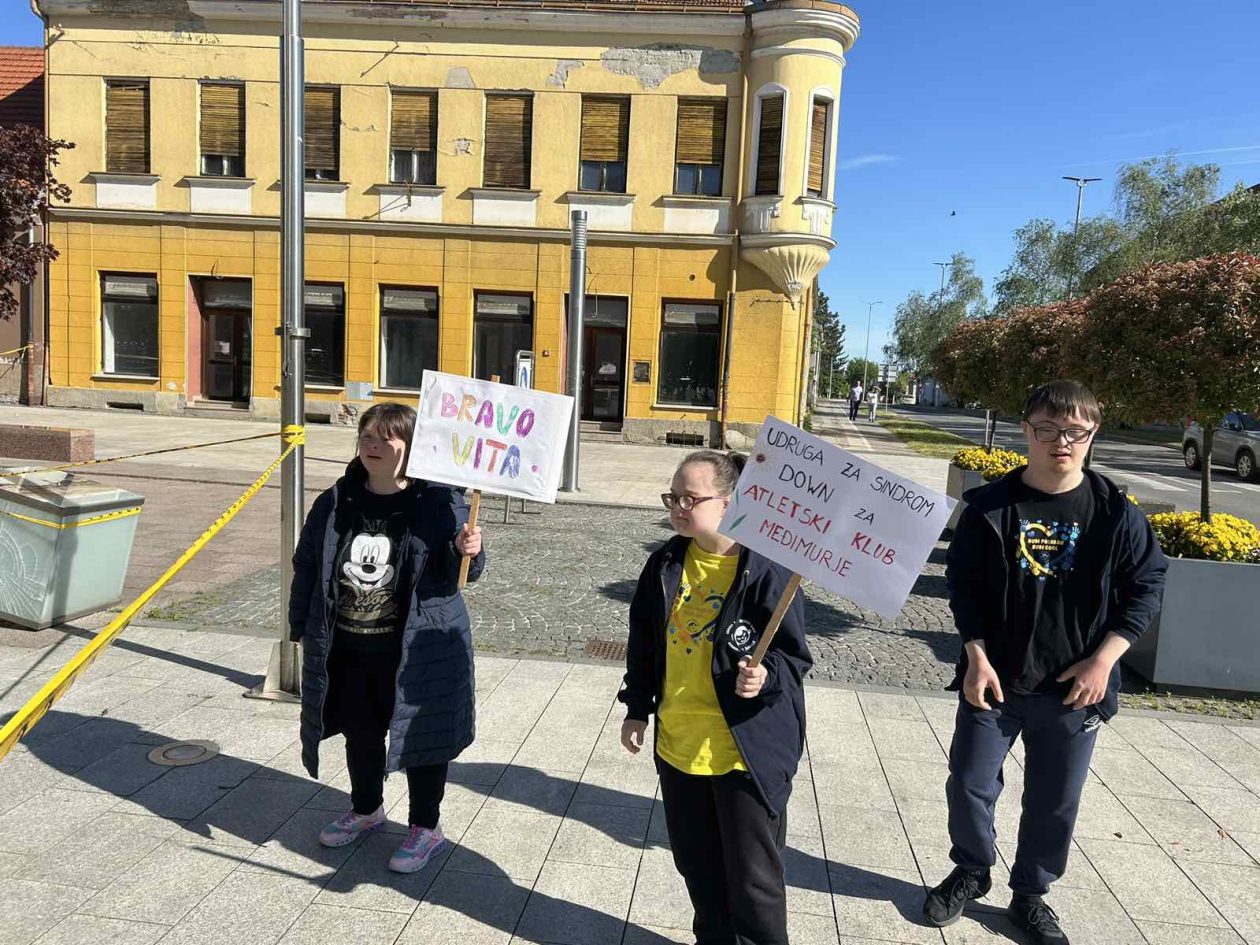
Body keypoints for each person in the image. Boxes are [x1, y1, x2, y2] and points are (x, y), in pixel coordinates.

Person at [922, 380, 1167, 944]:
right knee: (968, 782)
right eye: (1049, 429)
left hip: (1075, 687)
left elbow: (1146, 587)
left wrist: (1105, 661)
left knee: (1055, 801)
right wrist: (975, 656)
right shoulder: (988, 506)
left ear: (1092, 434)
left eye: (1076, 431)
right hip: (996, 679)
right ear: (1026, 431)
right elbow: (965, 588)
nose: (1063, 441)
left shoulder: (1115, 512)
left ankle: (1030, 894)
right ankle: (972, 869)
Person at [620, 450, 812, 945]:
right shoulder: (664, 563)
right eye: (673, 496)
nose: (678, 506)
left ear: (729, 503)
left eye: (691, 498)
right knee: (698, 868)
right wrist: (636, 708)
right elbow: (644, 642)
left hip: (743, 753)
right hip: (680, 746)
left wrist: (765, 678)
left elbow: (794, 659)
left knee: (753, 883)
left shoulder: (769, 569)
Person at [288, 402, 485, 874]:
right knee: (361, 731)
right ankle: (366, 809)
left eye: (387, 439)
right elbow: (308, 566)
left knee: (422, 737)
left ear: (411, 447)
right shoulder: (336, 501)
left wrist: (469, 552)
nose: (373, 447)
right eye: (367, 437)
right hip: (352, 645)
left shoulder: (440, 501)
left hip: (418, 648)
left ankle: (425, 828)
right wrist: (301, 627)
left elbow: (462, 573)